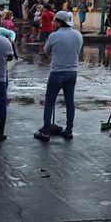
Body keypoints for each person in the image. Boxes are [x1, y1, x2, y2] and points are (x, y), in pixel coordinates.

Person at [34, 11, 83, 141]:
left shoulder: (54, 36)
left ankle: (45, 132)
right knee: (69, 101)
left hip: (58, 72)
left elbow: (45, 51)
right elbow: (78, 51)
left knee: (49, 101)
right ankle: (69, 130)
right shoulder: (78, 34)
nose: (53, 22)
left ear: (60, 22)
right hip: (73, 71)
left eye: (55, 20)